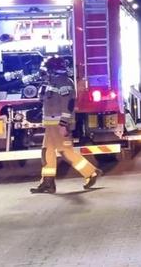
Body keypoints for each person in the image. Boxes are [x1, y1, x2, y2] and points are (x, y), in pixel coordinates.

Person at [30, 56, 101, 194]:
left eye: (48, 70)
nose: (46, 72)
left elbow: (67, 105)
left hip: (59, 125)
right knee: (47, 152)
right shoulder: (52, 82)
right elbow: (45, 100)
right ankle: (47, 182)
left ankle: (91, 172)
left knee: (66, 152)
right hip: (51, 126)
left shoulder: (64, 83)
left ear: (53, 69)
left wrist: (63, 124)